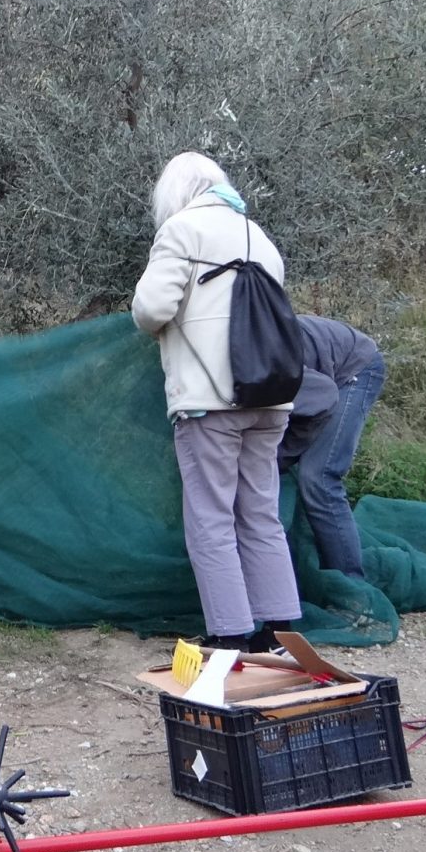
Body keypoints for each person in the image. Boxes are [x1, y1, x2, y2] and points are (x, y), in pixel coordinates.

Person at [131, 152, 301, 654]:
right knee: (261, 512)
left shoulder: (181, 230)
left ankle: (229, 635)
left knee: (211, 516)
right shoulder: (259, 236)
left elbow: (151, 309)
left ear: (174, 193)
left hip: (211, 402)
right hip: (271, 398)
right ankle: (280, 631)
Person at [278, 316, 386, 578]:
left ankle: (350, 585)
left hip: (354, 368)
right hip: (317, 373)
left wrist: (284, 454)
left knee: (319, 477)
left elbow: (322, 397)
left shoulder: (266, 363)